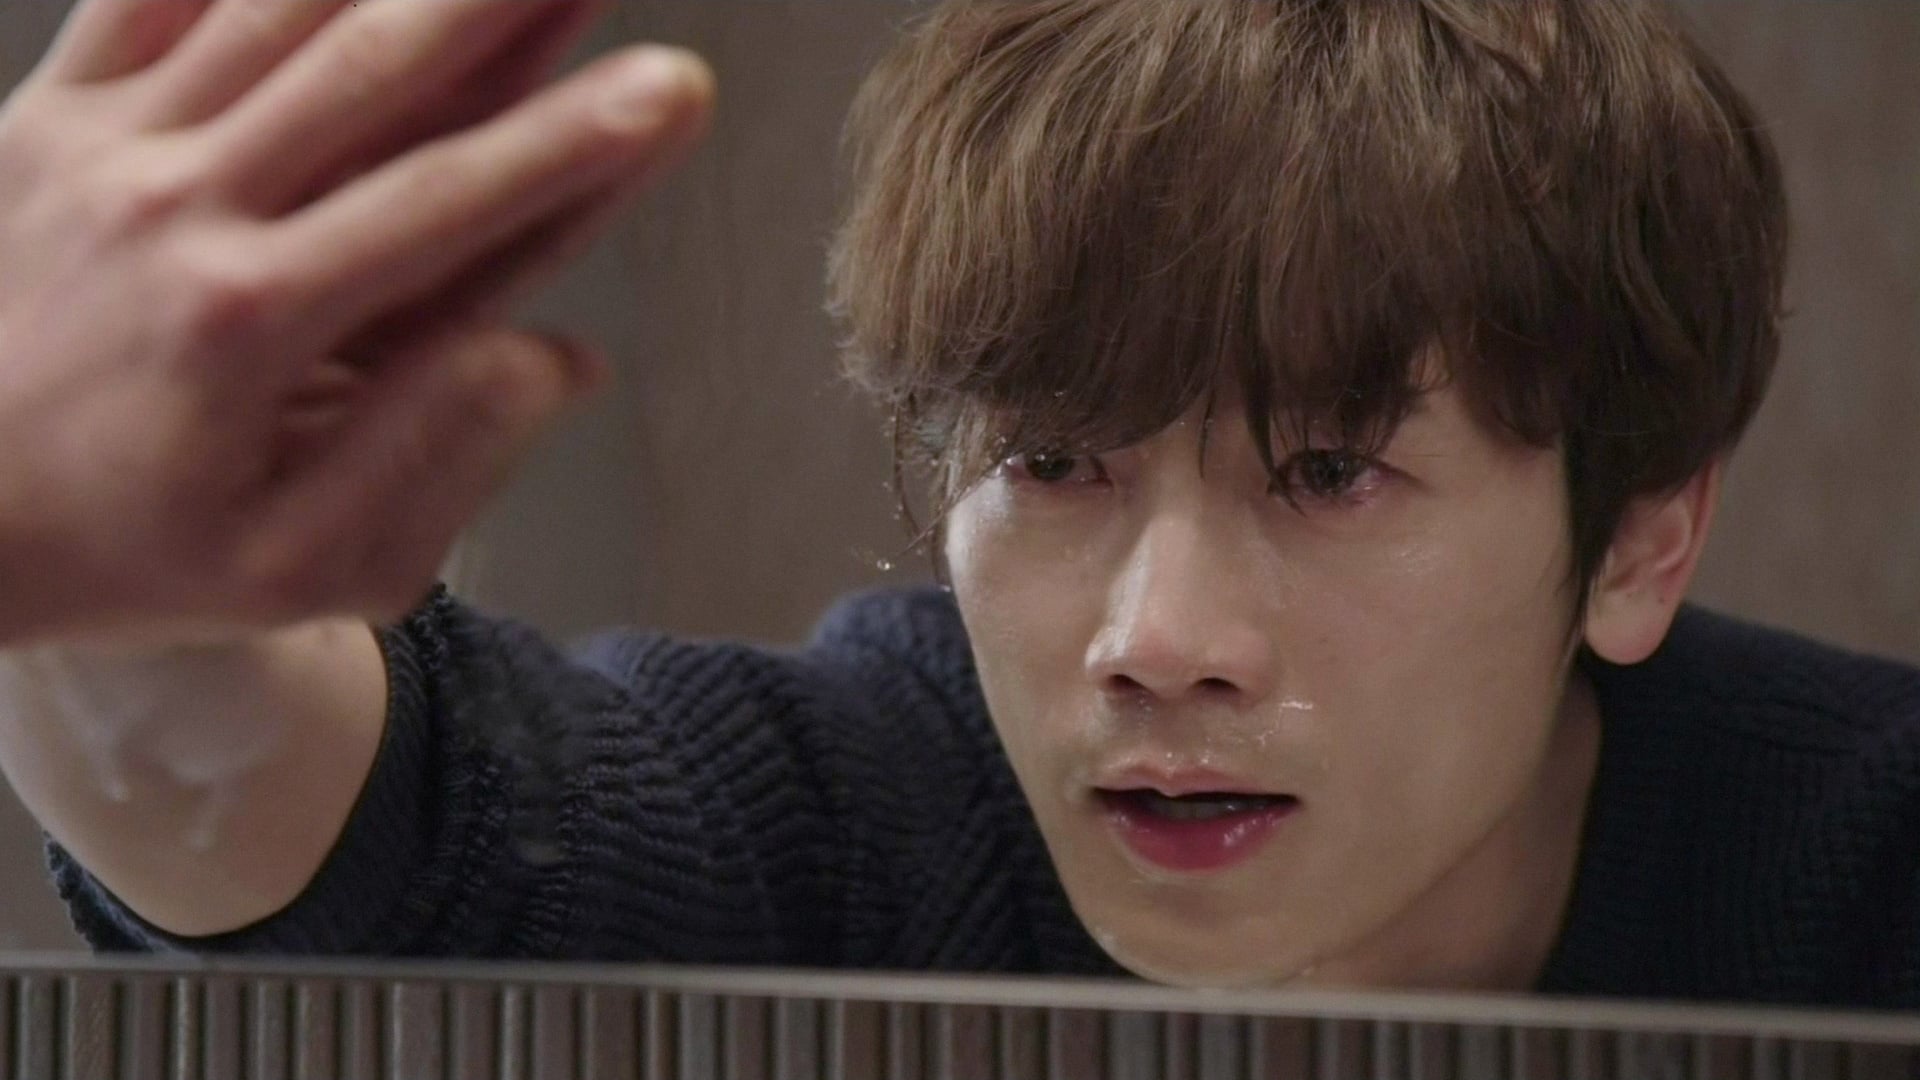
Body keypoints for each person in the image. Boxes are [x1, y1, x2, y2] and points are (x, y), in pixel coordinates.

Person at [0, 0, 1915, 1006]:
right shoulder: (873, 814)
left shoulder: (1861, 869)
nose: (1157, 642)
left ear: (1641, 537)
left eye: (1332, 473)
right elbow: (402, 827)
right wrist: (81, 556)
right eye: (1054, 461)